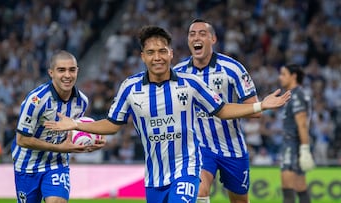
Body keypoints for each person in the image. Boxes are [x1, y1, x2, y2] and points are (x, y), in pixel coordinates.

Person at [44, 26, 290, 203]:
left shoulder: (190, 83)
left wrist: (261, 106)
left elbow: (223, 109)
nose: (157, 57)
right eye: (151, 52)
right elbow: (112, 124)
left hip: (187, 168)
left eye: (162, 51)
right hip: (154, 175)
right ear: (143, 57)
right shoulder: (130, 88)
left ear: (171, 53)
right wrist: (76, 124)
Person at [173, 19, 260, 203]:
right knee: (199, 191)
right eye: (192, 34)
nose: (196, 37)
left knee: (239, 201)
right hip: (199, 147)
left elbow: (255, 110)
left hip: (232, 147)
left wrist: (221, 110)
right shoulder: (178, 73)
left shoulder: (233, 69)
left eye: (202, 33)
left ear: (213, 39)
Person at [11, 50, 105, 203]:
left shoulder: (82, 101)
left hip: (57, 164)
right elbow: (21, 140)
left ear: (77, 71)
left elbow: (76, 132)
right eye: (61, 70)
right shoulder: (36, 101)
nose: (67, 75)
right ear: (51, 73)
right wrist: (60, 148)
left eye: (72, 70)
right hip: (27, 166)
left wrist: (94, 141)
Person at [278, 64, 315, 203]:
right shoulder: (296, 94)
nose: (280, 77)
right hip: (296, 145)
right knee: (301, 188)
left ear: (293, 76)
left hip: (292, 145)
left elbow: (302, 124)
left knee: (288, 189)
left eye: (283, 74)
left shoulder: (297, 95)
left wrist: (305, 149)